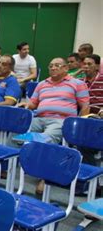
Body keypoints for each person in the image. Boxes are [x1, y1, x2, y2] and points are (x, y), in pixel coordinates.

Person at [17, 57, 89, 194]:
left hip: (61, 120)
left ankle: (44, 177)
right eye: (51, 66)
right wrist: (25, 105)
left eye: (57, 65)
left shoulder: (77, 83)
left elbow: (85, 106)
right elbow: (33, 103)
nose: (53, 68)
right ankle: (3, 168)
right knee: (17, 133)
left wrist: (77, 125)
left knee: (46, 139)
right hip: (39, 118)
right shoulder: (42, 84)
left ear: (66, 68)